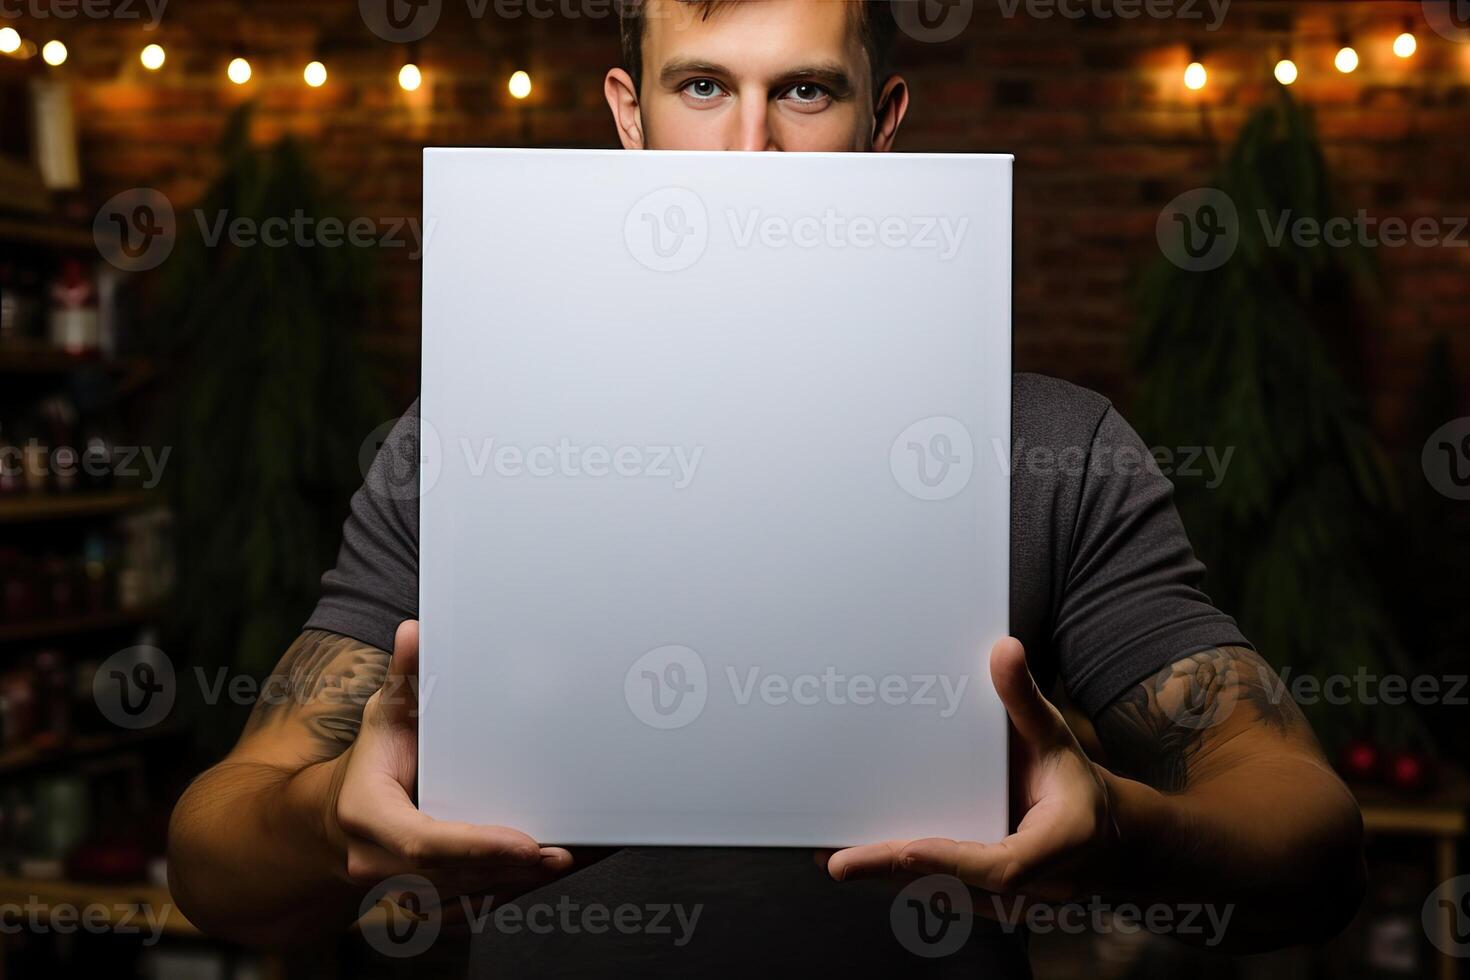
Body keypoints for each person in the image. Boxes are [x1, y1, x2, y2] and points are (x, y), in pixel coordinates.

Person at [167, 1, 1365, 974]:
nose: (750, 152)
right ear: (628, 118)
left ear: (880, 119)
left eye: (804, 89)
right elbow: (217, 865)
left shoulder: (1053, 446)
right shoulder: (469, 443)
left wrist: (1122, 832)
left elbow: (1307, 840)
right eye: (701, 87)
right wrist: (332, 816)